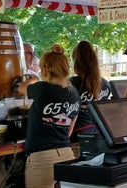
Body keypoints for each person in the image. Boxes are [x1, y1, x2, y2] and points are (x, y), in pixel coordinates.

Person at [24, 44, 80, 188]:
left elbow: (20, 88)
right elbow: (69, 130)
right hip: (67, 154)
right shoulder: (74, 94)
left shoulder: (41, 89)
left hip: (41, 158)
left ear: (45, 70)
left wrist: (31, 78)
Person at [69, 40, 111, 142]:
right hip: (103, 133)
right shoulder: (105, 84)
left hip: (79, 135)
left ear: (75, 62)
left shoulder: (71, 84)